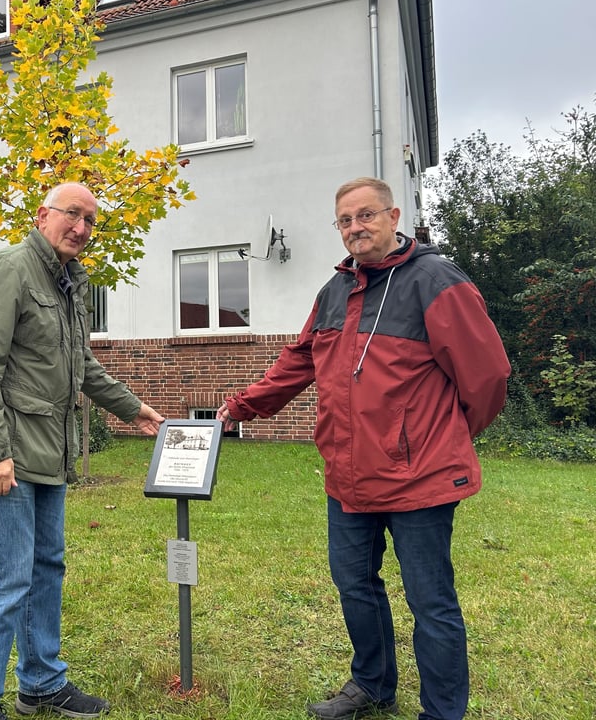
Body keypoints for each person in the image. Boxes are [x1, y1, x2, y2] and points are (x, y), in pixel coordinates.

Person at [217, 177, 510, 720]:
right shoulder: (335, 291)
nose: (356, 228)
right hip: (348, 475)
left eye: (366, 216)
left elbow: (488, 375)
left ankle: (443, 712)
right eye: (345, 220)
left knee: (431, 602)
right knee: (355, 585)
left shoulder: (435, 280)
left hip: (421, 478)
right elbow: (297, 362)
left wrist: (448, 435)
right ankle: (372, 685)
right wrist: (240, 406)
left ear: (393, 216)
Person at [0, 181, 165, 720]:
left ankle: (41, 683)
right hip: (13, 456)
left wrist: (131, 408)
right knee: (4, 578)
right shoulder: (9, 270)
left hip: (50, 453)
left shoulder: (68, 282)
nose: (82, 229)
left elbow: (81, 365)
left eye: (92, 221)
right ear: (43, 215)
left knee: (46, 568)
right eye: (74, 215)